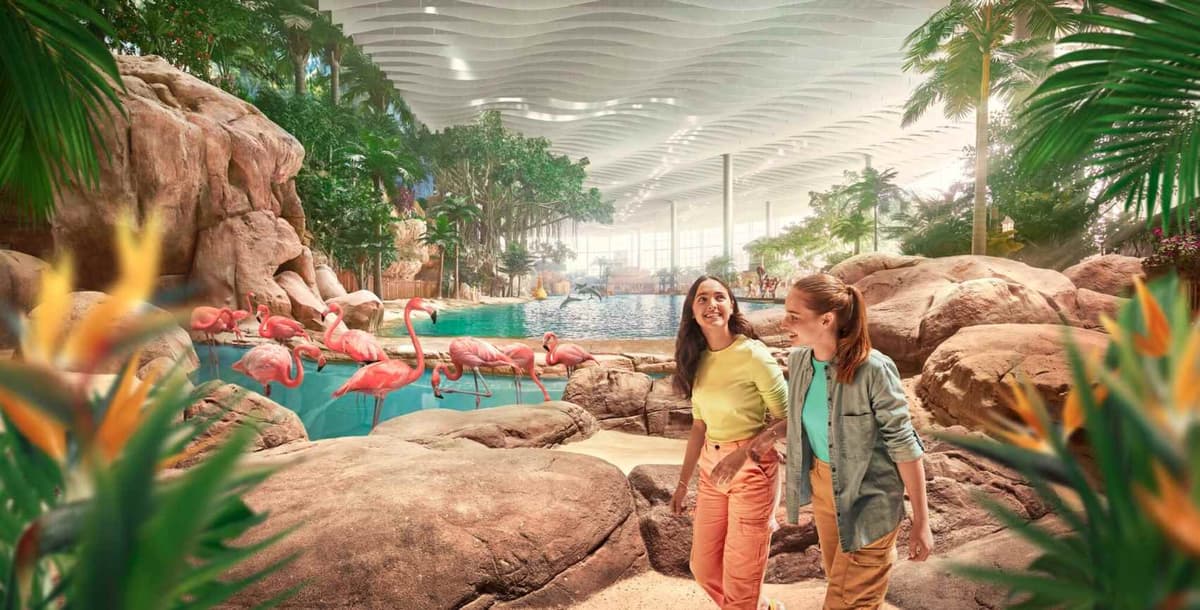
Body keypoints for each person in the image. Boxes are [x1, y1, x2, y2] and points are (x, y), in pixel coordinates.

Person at [710, 273, 932, 610]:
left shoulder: (873, 369)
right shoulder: (801, 362)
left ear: (827, 320)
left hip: (870, 498)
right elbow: (800, 417)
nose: (784, 322)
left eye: (794, 316)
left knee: (845, 602)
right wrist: (758, 444)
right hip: (823, 490)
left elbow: (904, 445)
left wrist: (921, 521)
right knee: (838, 582)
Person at [671, 275, 789, 610]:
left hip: (752, 472)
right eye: (702, 299)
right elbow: (699, 426)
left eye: (720, 297)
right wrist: (682, 485)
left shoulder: (752, 355)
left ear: (732, 304)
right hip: (711, 469)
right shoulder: (698, 358)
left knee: (741, 581)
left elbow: (791, 418)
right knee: (703, 568)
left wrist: (746, 453)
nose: (712, 305)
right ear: (692, 312)